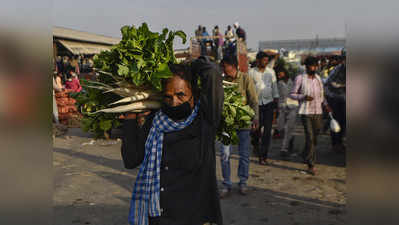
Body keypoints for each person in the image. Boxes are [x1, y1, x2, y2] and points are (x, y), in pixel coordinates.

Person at [121, 57, 224, 225]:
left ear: (194, 95)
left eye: (180, 95)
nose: (174, 102)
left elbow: (212, 74)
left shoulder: (205, 120)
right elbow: (131, 159)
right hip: (159, 216)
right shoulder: (154, 121)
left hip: (194, 217)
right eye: (168, 97)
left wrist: (191, 65)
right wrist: (130, 117)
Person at [219, 55, 259, 197]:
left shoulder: (246, 79)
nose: (224, 70)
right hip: (227, 124)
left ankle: (243, 182)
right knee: (225, 154)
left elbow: (253, 100)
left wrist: (256, 118)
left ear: (233, 66)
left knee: (244, 155)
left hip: (243, 123)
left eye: (225, 67)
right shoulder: (222, 81)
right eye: (222, 67)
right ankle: (227, 184)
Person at [290, 56, 332, 175]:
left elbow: (321, 96)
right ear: (306, 67)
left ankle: (306, 153)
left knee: (315, 137)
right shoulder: (300, 78)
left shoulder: (318, 78)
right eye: (311, 66)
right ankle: (311, 164)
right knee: (310, 136)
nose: (313, 68)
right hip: (305, 112)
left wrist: (326, 105)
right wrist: (303, 97)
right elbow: (292, 94)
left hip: (318, 111)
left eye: (314, 66)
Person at [248, 51, 279, 165]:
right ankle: (255, 144)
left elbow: (274, 87)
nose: (265, 62)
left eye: (267, 60)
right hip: (255, 105)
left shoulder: (271, 72)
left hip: (269, 103)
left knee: (267, 131)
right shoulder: (251, 72)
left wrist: (276, 101)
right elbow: (248, 88)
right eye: (263, 60)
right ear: (258, 61)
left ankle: (263, 155)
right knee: (256, 129)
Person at [275, 68, 299, 157]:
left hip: (293, 106)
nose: (279, 75)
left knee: (289, 128)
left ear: (284, 73)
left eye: (280, 73)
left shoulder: (293, 82)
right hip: (282, 107)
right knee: (280, 127)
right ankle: (290, 142)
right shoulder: (278, 83)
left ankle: (284, 148)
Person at [325, 55, 346, 153]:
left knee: (344, 122)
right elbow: (329, 82)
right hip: (334, 97)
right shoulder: (338, 69)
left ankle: (340, 142)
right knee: (337, 120)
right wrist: (343, 85)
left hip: (344, 97)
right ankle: (335, 144)